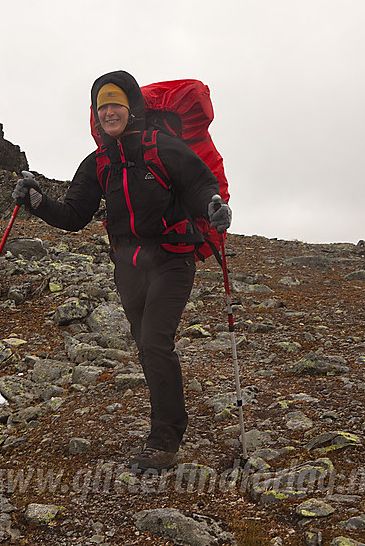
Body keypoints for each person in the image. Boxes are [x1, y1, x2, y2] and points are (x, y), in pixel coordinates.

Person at [12, 70, 231, 471]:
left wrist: (214, 207)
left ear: (132, 107)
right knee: (147, 349)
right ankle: (166, 422)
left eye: (115, 104)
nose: (108, 112)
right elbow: (74, 215)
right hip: (129, 269)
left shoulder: (165, 148)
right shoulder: (99, 163)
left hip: (172, 260)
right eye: (101, 107)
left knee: (154, 342)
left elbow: (201, 187)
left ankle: (164, 439)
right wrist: (37, 202)